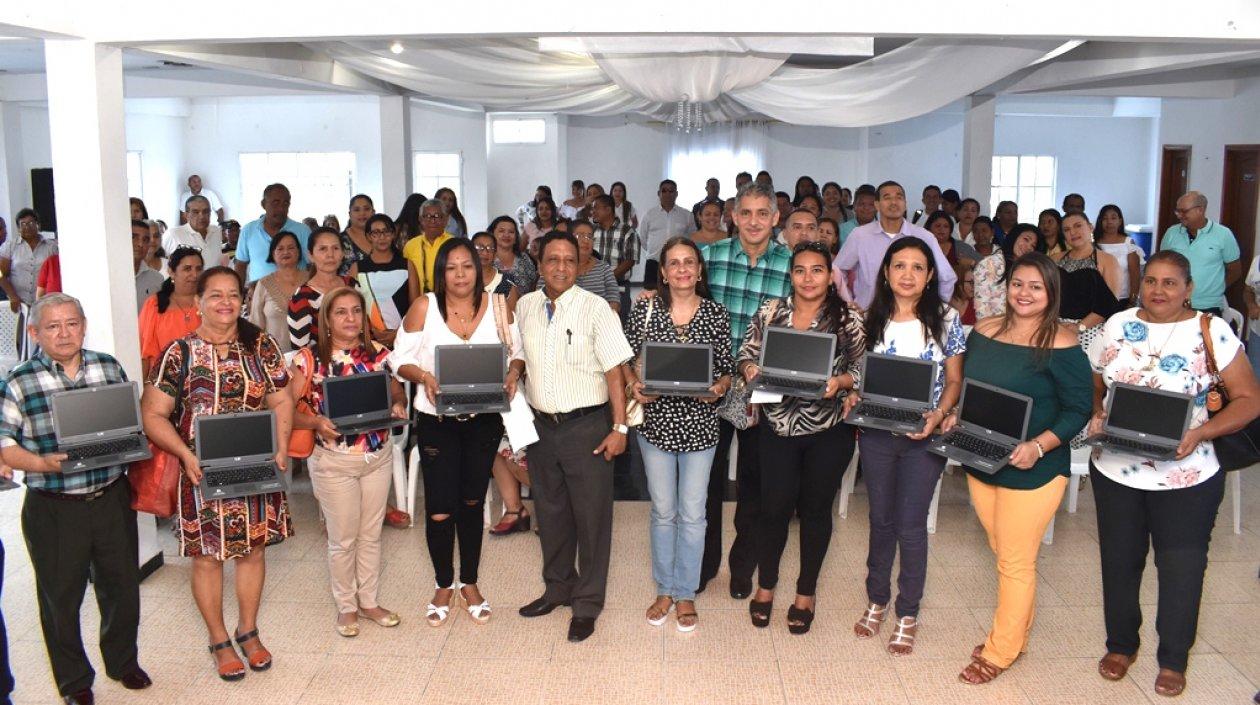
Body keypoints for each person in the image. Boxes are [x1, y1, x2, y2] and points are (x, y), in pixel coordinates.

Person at [1086, 250, 1260, 698]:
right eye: (1151, 281)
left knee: (1181, 566)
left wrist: (1202, 432)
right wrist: (1096, 413)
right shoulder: (1118, 325)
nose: (1158, 291)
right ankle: (1121, 645)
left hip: (1187, 475)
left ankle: (1174, 658)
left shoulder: (1211, 330)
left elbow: (1248, 400)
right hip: (1116, 469)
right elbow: (1095, 380)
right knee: (1119, 562)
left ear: (1188, 289)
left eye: (1169, 283)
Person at [141, 266, 293, 683]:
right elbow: (153, 415)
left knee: (253, 551)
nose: (225, 303)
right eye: (215, 295)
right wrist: (183, 455)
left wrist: (280, 447)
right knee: (208, 558)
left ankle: (248, 629)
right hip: (200, 471)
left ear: (242, 300)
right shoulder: (179, 352)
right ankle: (219, 638)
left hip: (256, 463)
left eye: (232, 295)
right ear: (199, 302)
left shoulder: (259, 344)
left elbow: (282, 400)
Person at [946, 252, 1092, 685]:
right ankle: (1019, 633)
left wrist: (1040, 445)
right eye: (1017, 284)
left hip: (1036, 467)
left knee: (1014, 560)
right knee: (1003, 549)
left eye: (1036, 287)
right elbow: (971, 388)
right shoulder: (985, 331)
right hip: (984, 457)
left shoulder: (1063, 343)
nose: (1024, 293)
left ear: (1051, 294)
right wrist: (957, 414)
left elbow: (1079, 409)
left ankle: (1001, 650)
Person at [0, 294, 152, 703]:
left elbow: (129, 423)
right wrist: (42, 462)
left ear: (84, 326)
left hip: (109, 497)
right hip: (54, 506)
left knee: (122, 588)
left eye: (71, 323)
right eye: (52, 326)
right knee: (60, 599)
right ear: (35, 332)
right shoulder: (18, 381)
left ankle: (123, 663)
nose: (63, 333)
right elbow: (3, 444)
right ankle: (74, 683)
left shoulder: (107, 366)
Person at [393, 239, 523, 627]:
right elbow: (398, 358)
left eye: (467, 266)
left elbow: (517, 352)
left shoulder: (498, 306)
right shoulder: (425, 307)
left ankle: (469, 582)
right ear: (441, 272)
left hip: (483, 419)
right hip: (437, 421)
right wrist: (423, 376)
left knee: (471, 502)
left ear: (479, 268)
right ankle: (442, 584)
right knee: (439, 508)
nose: (461, 274)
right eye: (452, 267)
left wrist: (514, 373)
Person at [846, 237, 965, 655]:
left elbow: (953, 380)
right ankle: (876, 600)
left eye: (918, 267)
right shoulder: (869, 318)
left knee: (910, 526)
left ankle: (907, 611)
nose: (908, 274)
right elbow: (858, 375)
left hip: (924, 436)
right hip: (877, 433)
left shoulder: (947, 319)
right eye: (900, 266)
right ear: (886, 272)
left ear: (930, 275)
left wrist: (938, 414)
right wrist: (853, 395)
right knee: (880, 520)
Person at [738, 241, 864, 635]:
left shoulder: (849, 320)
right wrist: (750, 372)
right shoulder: (770, 311)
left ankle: (805, 593)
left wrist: (840, 382)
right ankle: (766, 585)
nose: (808, 278)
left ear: (830, 275)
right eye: (800, 270)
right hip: (777, 426)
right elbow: (745, 351)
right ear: (790, 275)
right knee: (773, 510)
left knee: (814, 511)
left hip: (828, 430)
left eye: (817, 270)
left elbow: (863, 371)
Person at [515, 231, 632, 643]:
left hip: (588, 427)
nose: (561, 267)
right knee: (551, 513)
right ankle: (557, 588)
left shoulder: (596, 308)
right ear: (540, 263)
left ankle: (587, 603)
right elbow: (518, 358)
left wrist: (619, 428)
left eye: (569, 259)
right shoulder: (526, 306)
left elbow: (616, 370)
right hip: (541, 427)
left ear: (579, 263)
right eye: (553, 259)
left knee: (592, 519)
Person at [622, 237, 733, 632]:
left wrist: (718, 390)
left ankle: (685, 592)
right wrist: (635, 385)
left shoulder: (716, 315)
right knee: (663, 512)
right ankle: (664, 589)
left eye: (690, 262)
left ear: (699, 271)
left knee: (693, 514)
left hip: (702, 428)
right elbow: (625, 361)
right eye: (674, 263)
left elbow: (726, 369)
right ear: (664, 273)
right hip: (657, 426)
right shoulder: (645, 310)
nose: (682, 269)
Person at [291, 287, 407, 637]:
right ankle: (346, 606)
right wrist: (315, 423)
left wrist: (398, 403)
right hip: (333, 461)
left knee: (371, 535)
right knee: (343, 539)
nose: (351, 319)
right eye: (341, 312)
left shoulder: (380, 354)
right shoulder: (308, 360)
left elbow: (396, 389)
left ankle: (369, 601)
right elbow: (287, 412)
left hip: (376, 455)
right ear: (326, 319)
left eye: (356, 311)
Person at [697, 181, 792, 599]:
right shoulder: (708, 258)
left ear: (775, 218)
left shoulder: (794, 265)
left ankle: (742, 566)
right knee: (707, 482)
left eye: (762, 214)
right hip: (713, 386)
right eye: (746, 213)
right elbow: (679, 302)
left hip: (763, 389)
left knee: (754, 483)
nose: (754, 222)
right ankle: (702, 565)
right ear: (733, 217)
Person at [832, 181, 956, 309]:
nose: (894, 202)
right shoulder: (860, 235)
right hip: (868, 316)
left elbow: (947, 277)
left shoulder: (924, 236)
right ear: (877, 205)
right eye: (887, 197)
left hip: (912, 319)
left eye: (899, 197)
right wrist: (848, 304)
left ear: (905, 204)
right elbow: (837, 271)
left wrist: (934, 309)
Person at [1159, 191, 1241, 315]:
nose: (1179, 215)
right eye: (1177, 211)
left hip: (1208, 307)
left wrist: (1215, 289)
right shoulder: (1172, 233)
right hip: (1174, 303)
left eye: (1184, 211)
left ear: (1200, 210)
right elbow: (1161, 265)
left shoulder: (1223, 234)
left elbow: (1235, 270)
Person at [1053, 212, 1123, 352]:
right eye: (1066, 230)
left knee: (1085, 371)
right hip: (1056, 328)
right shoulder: (1055, 259)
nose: (1073, 232)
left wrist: (1080, 327)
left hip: (1090, 331)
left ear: (1090, 227)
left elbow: (1110, 303)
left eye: (1078, 226)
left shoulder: (1107, 260)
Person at [139, 246, 205, 377]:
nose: (195, 275)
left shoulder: (209, 302)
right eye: (187, 269)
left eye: (198, 269)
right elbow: (144, 355)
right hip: (163, 384)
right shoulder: (155, 304)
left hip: (204, 382)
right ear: (171, 272)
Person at [289, 228, 354, 350]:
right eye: (323, 249)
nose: (330, 255)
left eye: (335, 248)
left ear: (342, 253)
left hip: (360, 362)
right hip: (320, 365)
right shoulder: (302, 297)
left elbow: (366, 330)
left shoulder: (352, 285)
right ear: (311, 256)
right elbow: (300, 349)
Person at [235, 184, 311, 284]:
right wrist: (239, 294)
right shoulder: (248, 230)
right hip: (258, 295)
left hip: (296, 296)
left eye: (285, 203)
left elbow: (313, 265)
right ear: (263, 204)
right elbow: (241, 265)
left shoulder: (303, 231)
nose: (281, 209)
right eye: (275, 203)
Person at [247, 232, 309, 354]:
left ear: (298, 252)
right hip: (274, 358)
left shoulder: (311, 279)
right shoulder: (264, 284)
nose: (286, 252)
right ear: (273, 253)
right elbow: (255, 325)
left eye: (291, 248)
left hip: (310, 357)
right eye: (280, 249)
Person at [356, 214, 411, 347]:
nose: (382, 237)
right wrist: (369, 332)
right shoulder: (357, 268)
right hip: (368, 339)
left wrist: (398, 333)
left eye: (386, 232)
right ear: (368, 237)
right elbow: (353, 305)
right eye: (376, 233)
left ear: (393, 235)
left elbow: (414, 305)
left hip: (402, 338)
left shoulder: (408, 265)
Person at [548, 220, 620, 310]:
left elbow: (614, 300)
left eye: (589, 236)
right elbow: (541, 300)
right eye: (579, 235)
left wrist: (603, 320)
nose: (586, 240)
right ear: (569, 239)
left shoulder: (603, 268)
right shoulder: (554, 268)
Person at [0, 208, 57, 313]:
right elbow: (1, 274)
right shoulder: (10, 246)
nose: (27, 227)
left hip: (45, 303)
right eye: (23, 224)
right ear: (18, 228)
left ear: (37, 225)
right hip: (19, 304)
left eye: (31, 223)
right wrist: (13, 296)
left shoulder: (51, 247)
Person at [639, 180, 694, 289]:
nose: (668, 194)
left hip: (679, 264)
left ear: (676, 194)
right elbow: (643, 239)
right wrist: (654, 252)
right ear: (659, 193)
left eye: (671, 191)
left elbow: (692, 239)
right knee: (651, 298)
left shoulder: (687, 215)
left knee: (677, 296)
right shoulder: (649, 215)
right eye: (664, 191)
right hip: (654, 263)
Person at [590, 195, 640, 312]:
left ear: (608, 210)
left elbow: (630, 260)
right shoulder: (592, 231)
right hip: (594, 287)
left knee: (618, 325)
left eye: (596, 208)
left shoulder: (627, 231)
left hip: (619, 287)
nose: (593, 212)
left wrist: (608, 278)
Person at [1093, 204, 1144, 306]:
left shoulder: (1128, 243)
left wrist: (1132, 301)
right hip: (1097, 299)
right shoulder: (1093, 244)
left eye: (1113, 218)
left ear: (1120, 221)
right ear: (1100, 221)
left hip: (1123, 299)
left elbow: (1135, 275)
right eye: (1105, 218)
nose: (1109, 222)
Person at [402, 199, 453, 299]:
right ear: (420, 219)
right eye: (428, 216)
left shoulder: (454, 244)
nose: (432, 220)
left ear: (446, 220)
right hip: (418, 303)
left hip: (449, 302)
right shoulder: (411, 246)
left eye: (437, 216)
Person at [488, 215, 538, 294]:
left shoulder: (524, 258)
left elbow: (533, 284)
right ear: (492, 234)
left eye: (511, 232)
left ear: (516, 237)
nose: (506, 235)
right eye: (501, 231)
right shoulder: (486, 259)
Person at [165, 195, 224, 259]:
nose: (202, 216)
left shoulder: (216, 231)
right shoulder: (174, 234)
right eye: (196, 212)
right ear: (186, 215)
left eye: (206, 211)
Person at [972, 218, 1008, 319]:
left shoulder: (1001, 253)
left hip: (1000, 303)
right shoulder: (968, 252)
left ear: (992, 232)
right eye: (976, 231)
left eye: (984, 230)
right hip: (976, 300)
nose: (980, 235)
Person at [474, 230, 519, 306]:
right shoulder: (463, 279)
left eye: (490, 248)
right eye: (479, 247)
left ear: (495, 254)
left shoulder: (507, 282)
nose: (485, 252)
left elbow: (512, 315)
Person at [133, 219, 166, 312]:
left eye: (145, 239)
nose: (140, 244)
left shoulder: (157, 278)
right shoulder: (110, 276)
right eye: (134, 237)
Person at [338, 194, 375, 276]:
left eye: (367, 209)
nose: (362, 213)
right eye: (357, 210)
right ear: (350, 214)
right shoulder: (339, 241)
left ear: (373, 212)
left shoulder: (383, 239)